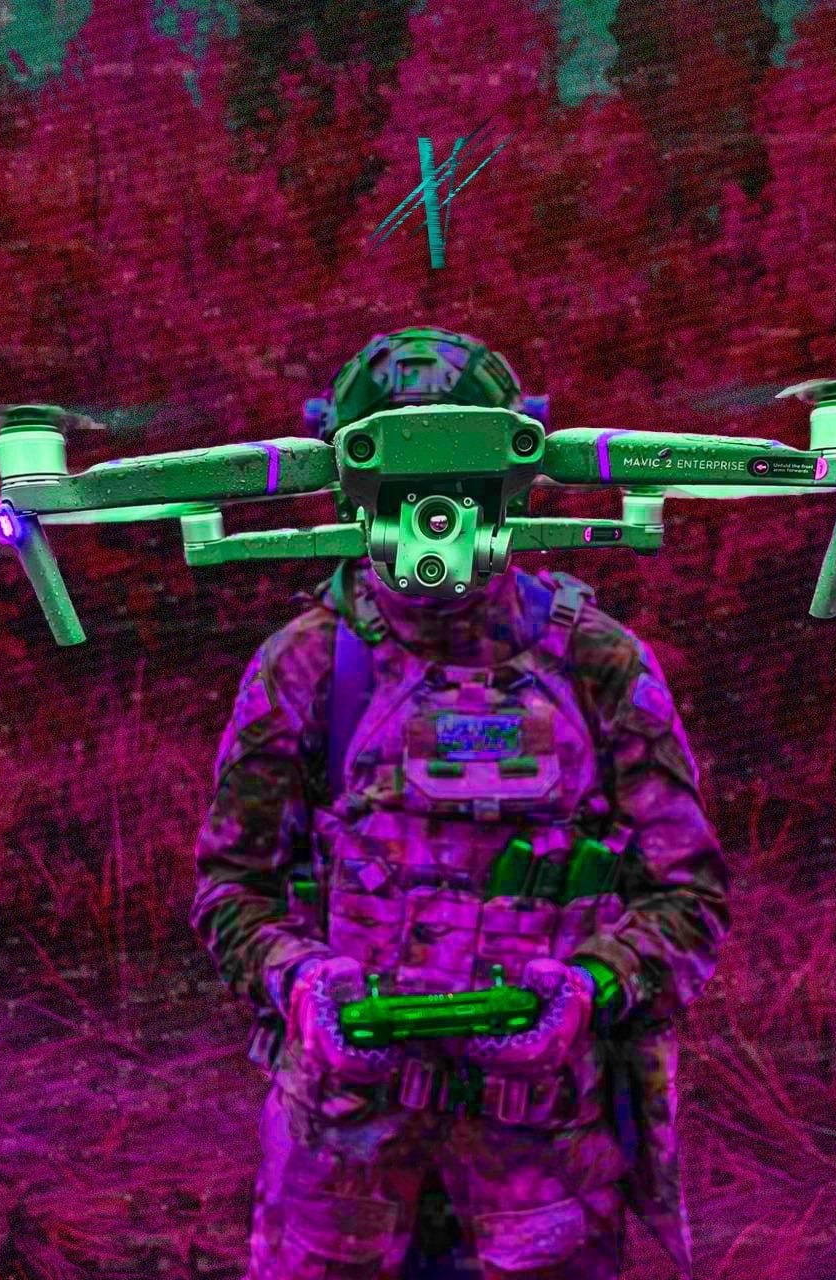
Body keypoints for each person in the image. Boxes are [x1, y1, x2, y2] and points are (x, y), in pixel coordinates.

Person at [190, 327, 731, 1279]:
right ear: (353, 493)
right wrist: (304, 984)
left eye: (460, 490)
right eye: (400, 492)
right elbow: (231, 892)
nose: (431, 523)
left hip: (541, 1169)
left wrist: (588, 989)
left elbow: (687, 897)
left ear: (509, 489)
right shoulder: (308, 664)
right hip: (342, 1167)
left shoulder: (595, 663)